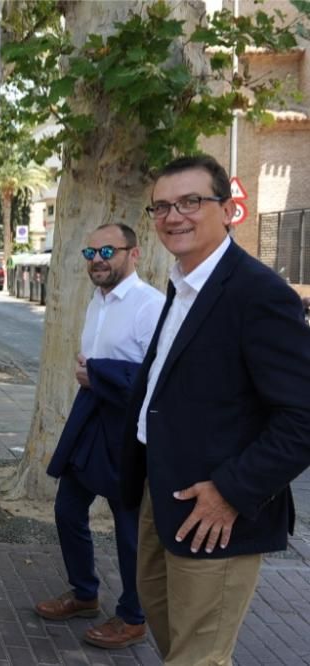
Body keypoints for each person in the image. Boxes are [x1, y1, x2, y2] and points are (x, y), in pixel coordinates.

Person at [121, 154, 310, 665]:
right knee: (174, 644)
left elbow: (302, 417)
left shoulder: (258, 293)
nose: (173, 216)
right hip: (162, 496)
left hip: (216, 513)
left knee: (197, 658)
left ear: (227, 210)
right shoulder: (182, 284)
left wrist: (231, 492)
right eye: (161, 206)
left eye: (190, 202)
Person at [34, 224, 163, 649]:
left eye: (108, 249)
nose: (97, 258)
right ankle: (85, 593)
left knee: (129, 526)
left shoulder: (150, 305)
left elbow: (155, 378)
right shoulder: (97, 300)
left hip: (126, 430)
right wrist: (94, 374)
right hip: (90, 418)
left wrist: (98, 373)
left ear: (135, 254)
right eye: (91, 250)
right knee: (68, 508)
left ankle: (132, 616)